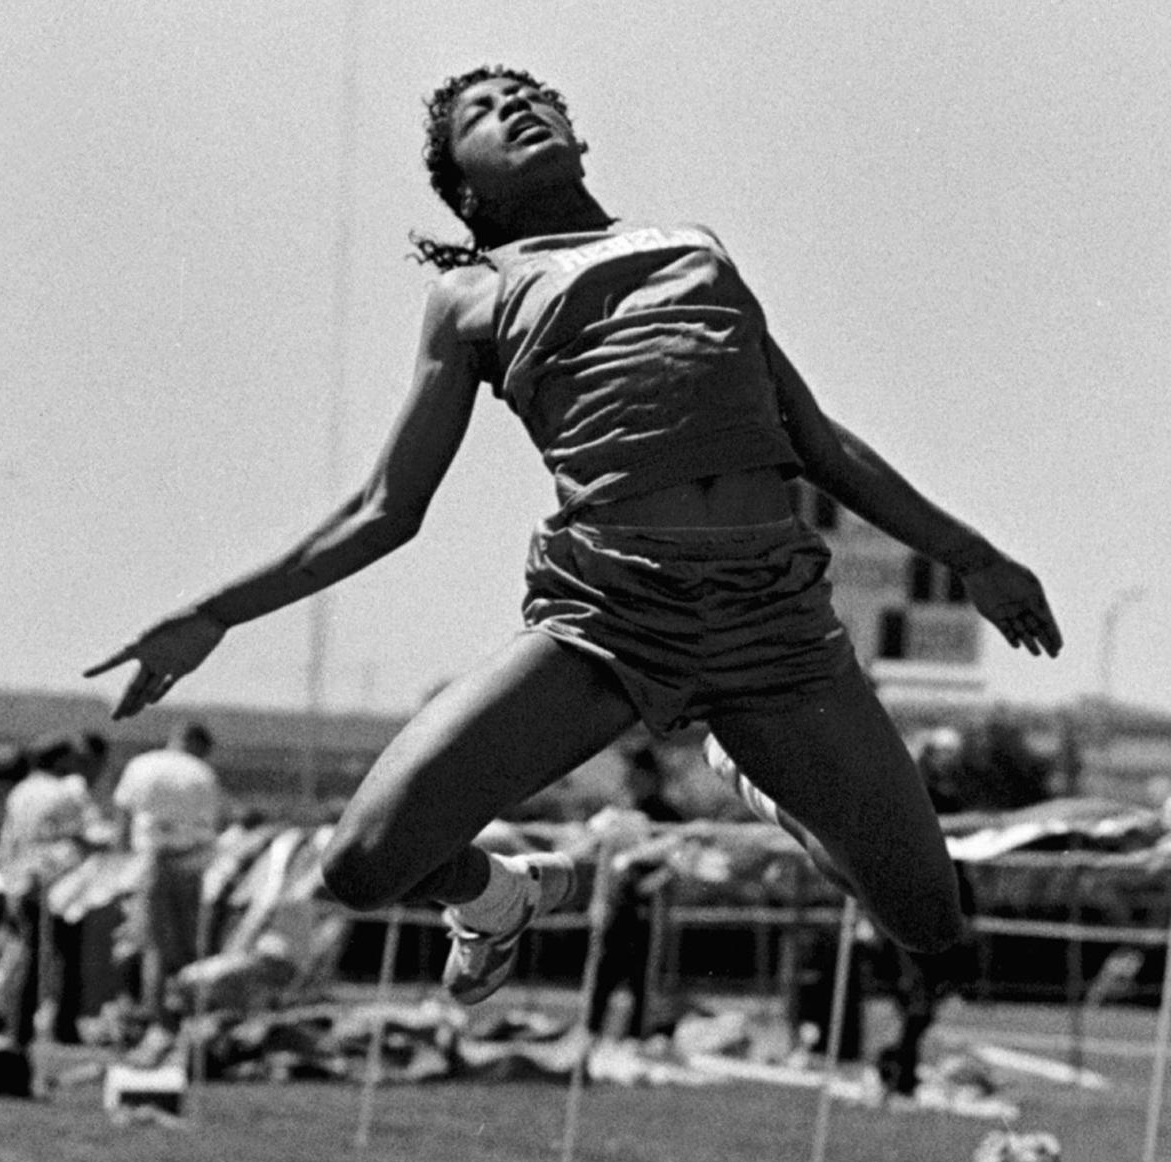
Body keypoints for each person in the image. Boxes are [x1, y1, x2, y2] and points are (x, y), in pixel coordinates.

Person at [85, 66, 1062, 1011]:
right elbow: (388, 507)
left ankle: (755, 769)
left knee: (930, 921)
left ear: (574, 131)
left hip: (774, 624)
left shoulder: (694, 247)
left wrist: (972, 555)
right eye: (485, 110)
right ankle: (498, 895)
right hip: (611, 617)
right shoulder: (474, 294)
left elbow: (818, 441)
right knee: (361, 864)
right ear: (463, 183)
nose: (516, 107)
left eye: (529, 96)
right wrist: (212, 614)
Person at [0, 734, 99, 1078]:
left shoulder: (20, 791)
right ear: (60, 760)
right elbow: (84, 834)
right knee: (62, 956)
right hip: (57, 883)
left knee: (29, 954)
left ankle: (18, 1027)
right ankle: (60, 1026)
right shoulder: (63, 791)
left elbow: (8, 840)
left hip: (21, 881)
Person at [111, 721, 222, 1043]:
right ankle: (184, 1020)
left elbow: (123, 819)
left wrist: (121, 867)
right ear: (200, 746)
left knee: (155, 946)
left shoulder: (142, 765)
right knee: (188, 947)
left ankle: (158, 1019)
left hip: (150, 863)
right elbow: (212, 823)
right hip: (192, 864)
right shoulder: (202, 773)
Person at [584, 745, 684, 1041]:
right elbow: (605, 862)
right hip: (616, 906)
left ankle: (634, 1039)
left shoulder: (666, 815)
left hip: (647, 909)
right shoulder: (620, 813)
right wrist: (598, 900)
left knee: (641, 977)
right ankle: (591, 1035)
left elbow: (677, 859)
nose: (630, 778)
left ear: (650, 776)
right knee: (603, 973)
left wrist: (655, 883)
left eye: (636, 772)